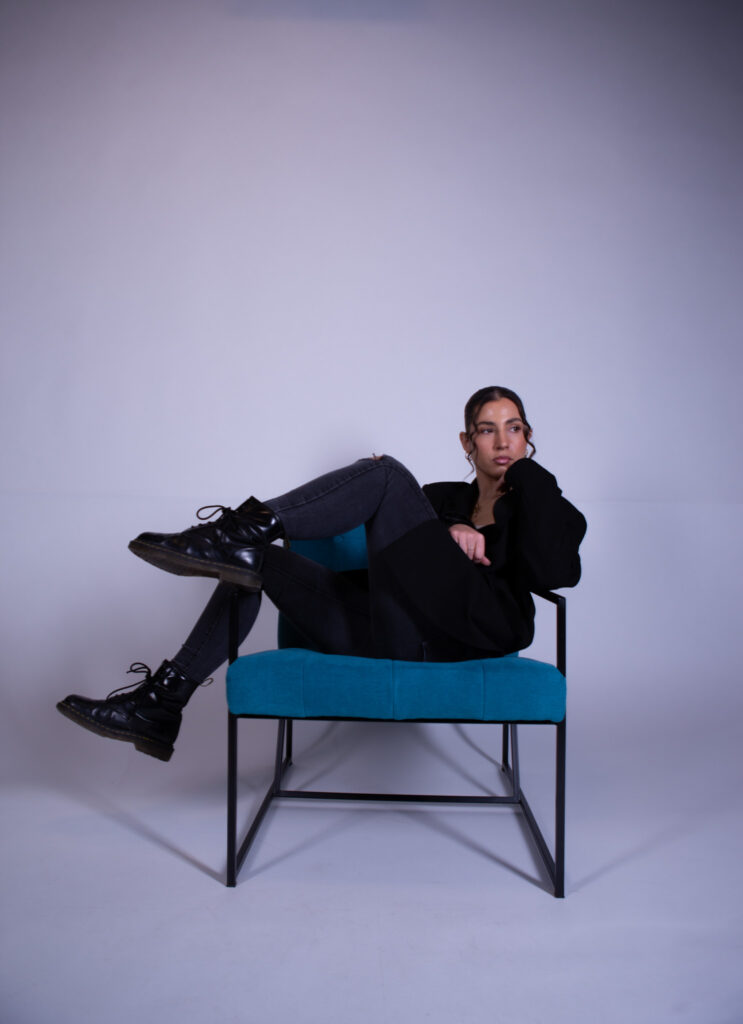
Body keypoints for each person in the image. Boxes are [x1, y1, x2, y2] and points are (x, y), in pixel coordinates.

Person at [57, 386, 587, 762]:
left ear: (527, 437)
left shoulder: (547, 505)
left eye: (514, 430)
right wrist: (452, 526)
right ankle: (161, 703)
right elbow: (419, 542)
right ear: (467, 443)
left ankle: (237, 528)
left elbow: (556, 570)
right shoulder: (442, 499)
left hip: (461, 641)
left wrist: (529, 476)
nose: (502, 442)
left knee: (386, 473)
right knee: (253, 562)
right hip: (385, 628)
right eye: (487, 431)